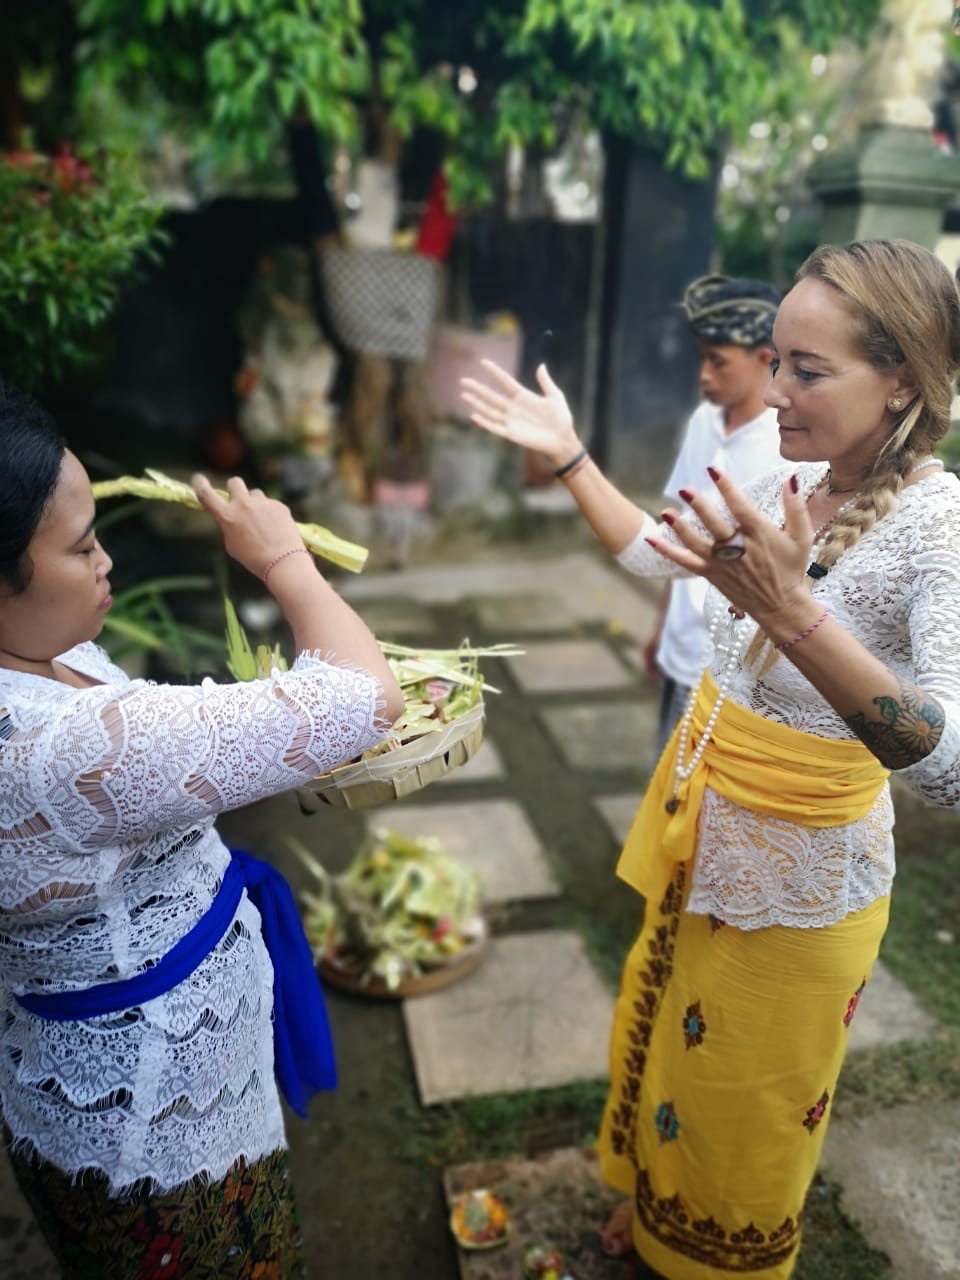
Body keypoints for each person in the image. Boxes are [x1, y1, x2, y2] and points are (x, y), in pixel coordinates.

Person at [461, 238, 960, 1279]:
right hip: (709, 827)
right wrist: (568, 456)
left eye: (806, 370)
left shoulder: (939, 526)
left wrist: (795, 612)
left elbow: (946, 763)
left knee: (747, 1100)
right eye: (775, 360)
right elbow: (664, 554)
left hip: (803, 886)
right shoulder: (793, 468)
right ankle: (654, 1210)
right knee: (670, 1041)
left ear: (904, 375)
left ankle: (707, 1247)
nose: (773, 389)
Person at [0, 385, 404, 1278]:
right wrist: (286, 559)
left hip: (77, 1083)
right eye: (79, 546)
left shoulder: (36, 665)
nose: (106, 562)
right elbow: (367, 697)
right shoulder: (60, 750)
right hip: (154, 1128)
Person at [646, 274, 783, 753]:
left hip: (733, 662)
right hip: (682, 643)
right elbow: (679, 530)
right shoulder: (703, 422)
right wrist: (661, 627)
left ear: (765, 358)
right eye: (701, 358)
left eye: (717, 361)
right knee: (665, 779)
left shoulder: (788, 446)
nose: (703, 374)